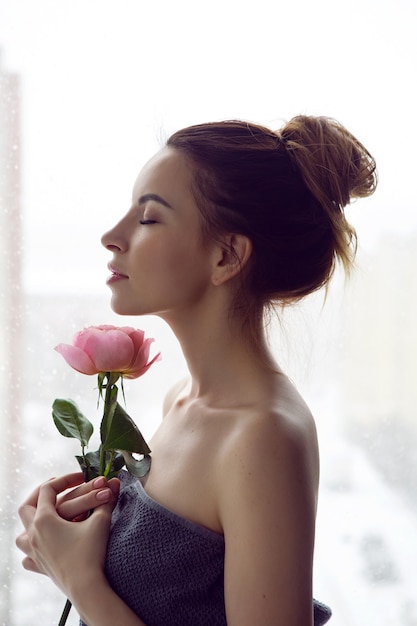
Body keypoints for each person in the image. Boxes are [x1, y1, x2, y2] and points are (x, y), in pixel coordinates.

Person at [16, 115, 377, 625]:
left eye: (148, 219)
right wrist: (70, 540)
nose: (110, 237)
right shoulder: (181, 400)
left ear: (226, 256)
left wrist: (81, 581)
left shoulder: (264, 437)